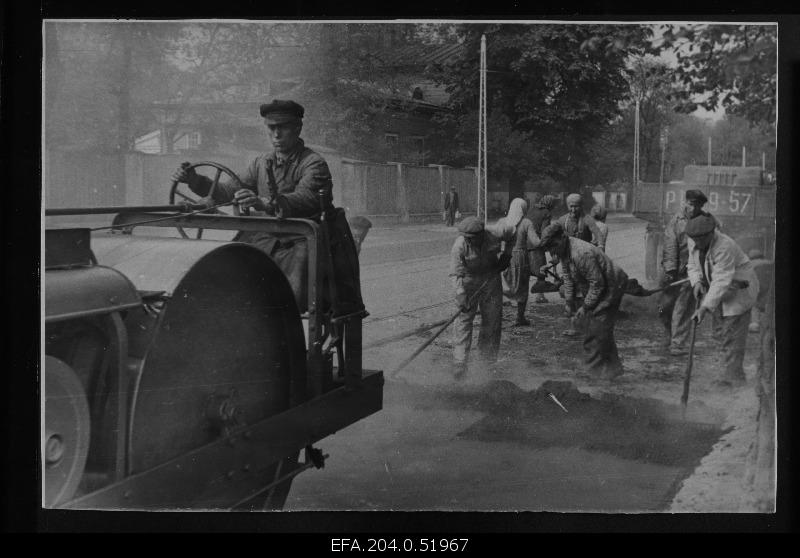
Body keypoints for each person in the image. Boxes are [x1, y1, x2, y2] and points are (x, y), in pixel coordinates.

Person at [172, 99, 362, 315]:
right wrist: (194, 180)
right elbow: (227, 191)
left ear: (297, 128)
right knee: (230, 268)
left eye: (283, 127)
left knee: (289, 294)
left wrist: (265, 203)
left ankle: (283, 324)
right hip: (265, 237)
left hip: (302, 240)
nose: (276, 135)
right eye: (271, 128)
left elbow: (306, 198)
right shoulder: (261, 163)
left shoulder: (313, 163)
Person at [539, 221, 629, 380]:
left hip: (612, 285)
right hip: (599, 285)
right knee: (601, 329)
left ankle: (592, 374)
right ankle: (614, 369)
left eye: (553, 246)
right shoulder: (564, 250)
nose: (551, 251)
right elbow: (567, 277)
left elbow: (598, 284)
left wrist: (586, 307)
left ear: (562, 237)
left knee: (595, 329)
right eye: (548, 248)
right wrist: (569, 302)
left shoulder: (581, 253)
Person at [686, 214, 759, 388]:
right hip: (721, 291)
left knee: (732, 335)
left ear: (711, 233)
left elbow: (721, 280)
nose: (697, 243)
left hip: (739, 290)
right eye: (694, 239)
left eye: (701, 239)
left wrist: (703, 308)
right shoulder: (694, 241)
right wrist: (696, 282)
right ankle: (730, 373)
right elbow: (692, 265)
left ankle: (733, 380)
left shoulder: (724, 245)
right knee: (720, 334)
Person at [449, 216, 515, 378]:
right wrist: (460, 294)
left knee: (492, 320)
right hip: (468, 280)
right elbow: (455, 273)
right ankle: (460, 363)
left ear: (481, 234)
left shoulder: (496, 232)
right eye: (467, 238)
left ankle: (487, 362)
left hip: (491, 277)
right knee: (463, 321)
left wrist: (507, 255)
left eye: (472, 238)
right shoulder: (459, 245)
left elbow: (513, 234)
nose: (469, 241)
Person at [658, 189, 718, 356]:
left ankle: (678, 343)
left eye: (697, 205)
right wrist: (670, 270)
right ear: (685, 202)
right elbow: (670, 245)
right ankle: (669, 334)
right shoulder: (676, 221)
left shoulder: (706, 221)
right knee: (664, 307)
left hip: (693, 271)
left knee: (684, 308)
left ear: (701, 206)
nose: (693, 208)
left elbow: (714, 244)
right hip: (672, 270)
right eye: (690, 204)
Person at [500, 198, 543, 326]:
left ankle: (498, 314)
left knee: (506, 284)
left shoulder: (504, 221)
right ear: (523, 209)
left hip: (505, 257)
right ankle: (519, 318)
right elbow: (535, 242)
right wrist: (545, 239)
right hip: (521, 257)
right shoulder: (526, 223)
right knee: (523, 286)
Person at [527, 194, 558, 303]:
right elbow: (545, 231)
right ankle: (540, 296)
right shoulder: (547, 213)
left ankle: (522, 296)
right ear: (550, 204)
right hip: (536, 243)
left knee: (526, 269)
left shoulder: (531, 209)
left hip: (525, 243)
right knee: (541, 269)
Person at [746, 249, 774, 333]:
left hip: (759, 288)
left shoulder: (750, 265)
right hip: (771, 288)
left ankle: (755, 324)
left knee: (755, 305)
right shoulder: (770, 263)